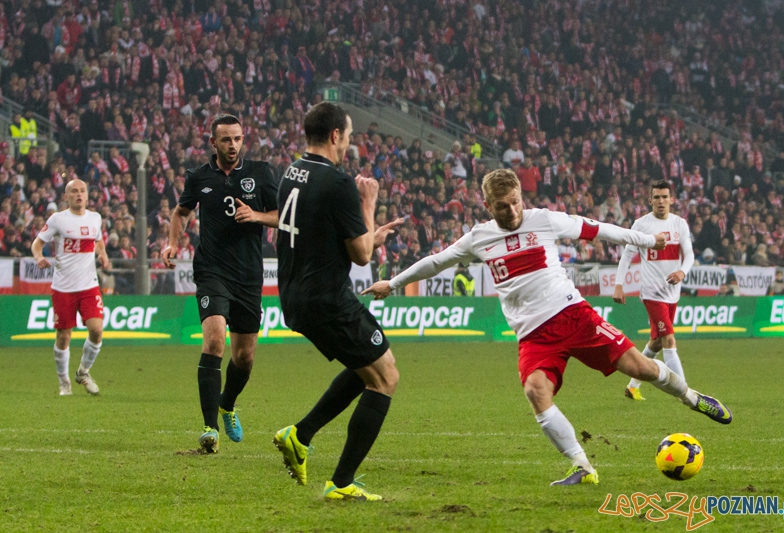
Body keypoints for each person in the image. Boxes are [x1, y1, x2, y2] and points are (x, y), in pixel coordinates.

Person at [363, 169, 731, 486]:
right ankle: (582, 466)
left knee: (641, 368)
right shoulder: (479, 238)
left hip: (573, 316)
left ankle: (693, 398)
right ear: (488, 206)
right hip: (533, 335)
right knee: (536, 391)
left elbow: (600, 230)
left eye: (516, 202)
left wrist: (649, 240)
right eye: (503, 206)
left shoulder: (544, 219)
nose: (512, 211)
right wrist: (392, 284)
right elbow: (435, 262)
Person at [272, 102, 402, 501]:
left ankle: (301, 435)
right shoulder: (339, 182)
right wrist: (369, 202)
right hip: (327, 299)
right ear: (334, 135)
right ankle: (341, 482)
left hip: (295, 297)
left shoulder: (291, 174)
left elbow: (331, 235)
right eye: (347, 135)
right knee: (385, 378)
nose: (349, 143)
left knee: (369, 367)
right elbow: (362, 255)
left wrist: (367, 236)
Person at [162, 114, 278, 454]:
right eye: (226, 140)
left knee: (244, 357)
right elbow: (181, 213)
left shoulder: (260, 172)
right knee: (214, 342)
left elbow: (282, 214)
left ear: (244, 139)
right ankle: (209, 427)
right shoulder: (199, 177)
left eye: (237, 139)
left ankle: (227, 404)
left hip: (248, 276)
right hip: (212, 270)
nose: (233, 145)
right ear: (213, 143)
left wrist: (256, 216)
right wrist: (173, 242)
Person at [613, 181, 694, 401]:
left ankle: (632, 386)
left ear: (671, 199)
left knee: (657, 342)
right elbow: (627, 255)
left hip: (672, 293)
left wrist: (682, 272)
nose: (661, 201)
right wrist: (619, 285)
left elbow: (689, 254)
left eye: (664, 197)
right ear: (650, 200)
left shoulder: (679, 224)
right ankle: (685, 393)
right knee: (669, 340)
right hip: (652, 293)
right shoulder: (641, 225)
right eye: (656, 197)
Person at [31, 179, 110, 396]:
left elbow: (98, 239)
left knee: (96, 330)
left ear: (87, 195)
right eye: (74, 191)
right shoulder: (58, 219)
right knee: (64, 336)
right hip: (63, 287)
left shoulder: (95, 218)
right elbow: (37, 243)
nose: (79, 194)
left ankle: (83, 372)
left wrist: (102, 253)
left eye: (82, 191)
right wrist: (38, 256)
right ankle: (64, 381)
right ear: (66, 196)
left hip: (88, 286)